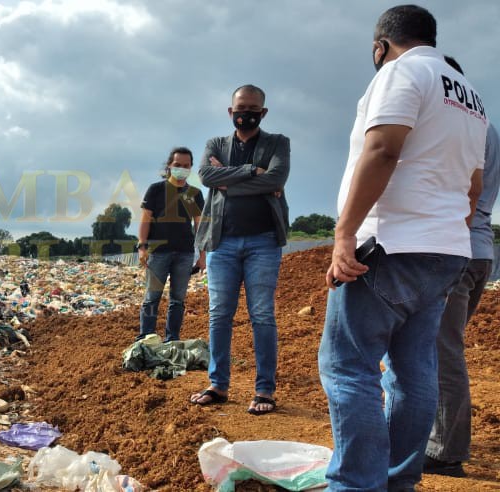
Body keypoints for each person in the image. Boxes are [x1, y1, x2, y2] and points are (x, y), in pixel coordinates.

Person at [319, 5, 488, 490]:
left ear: (381, 45)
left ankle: (355, 484)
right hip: (445, 251)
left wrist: (345, 234)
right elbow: (473, 186)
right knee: (414, 371)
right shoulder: (470, 95)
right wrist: (441, 230)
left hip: (390, 244)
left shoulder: (402, 72)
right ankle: (398, 480)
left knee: (348, 367)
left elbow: (382, 150)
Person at [190, 84, 290, 416]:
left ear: (263, 112)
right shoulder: (215, 144)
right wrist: (250, 172)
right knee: (219, 315)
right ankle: (217, 385)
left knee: (261, 315)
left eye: (252, 109)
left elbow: (276, 179)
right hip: (222, 242)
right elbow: (205, 174)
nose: (244, 114)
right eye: (239, 108)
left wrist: (228, 181)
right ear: (230, 112)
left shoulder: (278, 143)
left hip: (263, 241)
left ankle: (264, 390)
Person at [424, 57, 500, 478]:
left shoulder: (461, 125)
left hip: (455, 250)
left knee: (441, 350)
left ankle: (445, 452)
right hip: (480, 252)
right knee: (439, 348)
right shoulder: (487, 127)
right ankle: (434, 438)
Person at [136, 147, 206, 342]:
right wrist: (142, 247)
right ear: (169, 165)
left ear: (191, 168)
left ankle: (172, 339)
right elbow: (145, 221)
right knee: (152, 298)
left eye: (186, 166)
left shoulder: (194, 194)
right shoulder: (156, 190)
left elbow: (200, 226)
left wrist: (202, 255)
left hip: (184, 254)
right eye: (177, 165)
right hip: (157, 253)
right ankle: (145, 338)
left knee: (178, 300)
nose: (181, 169)